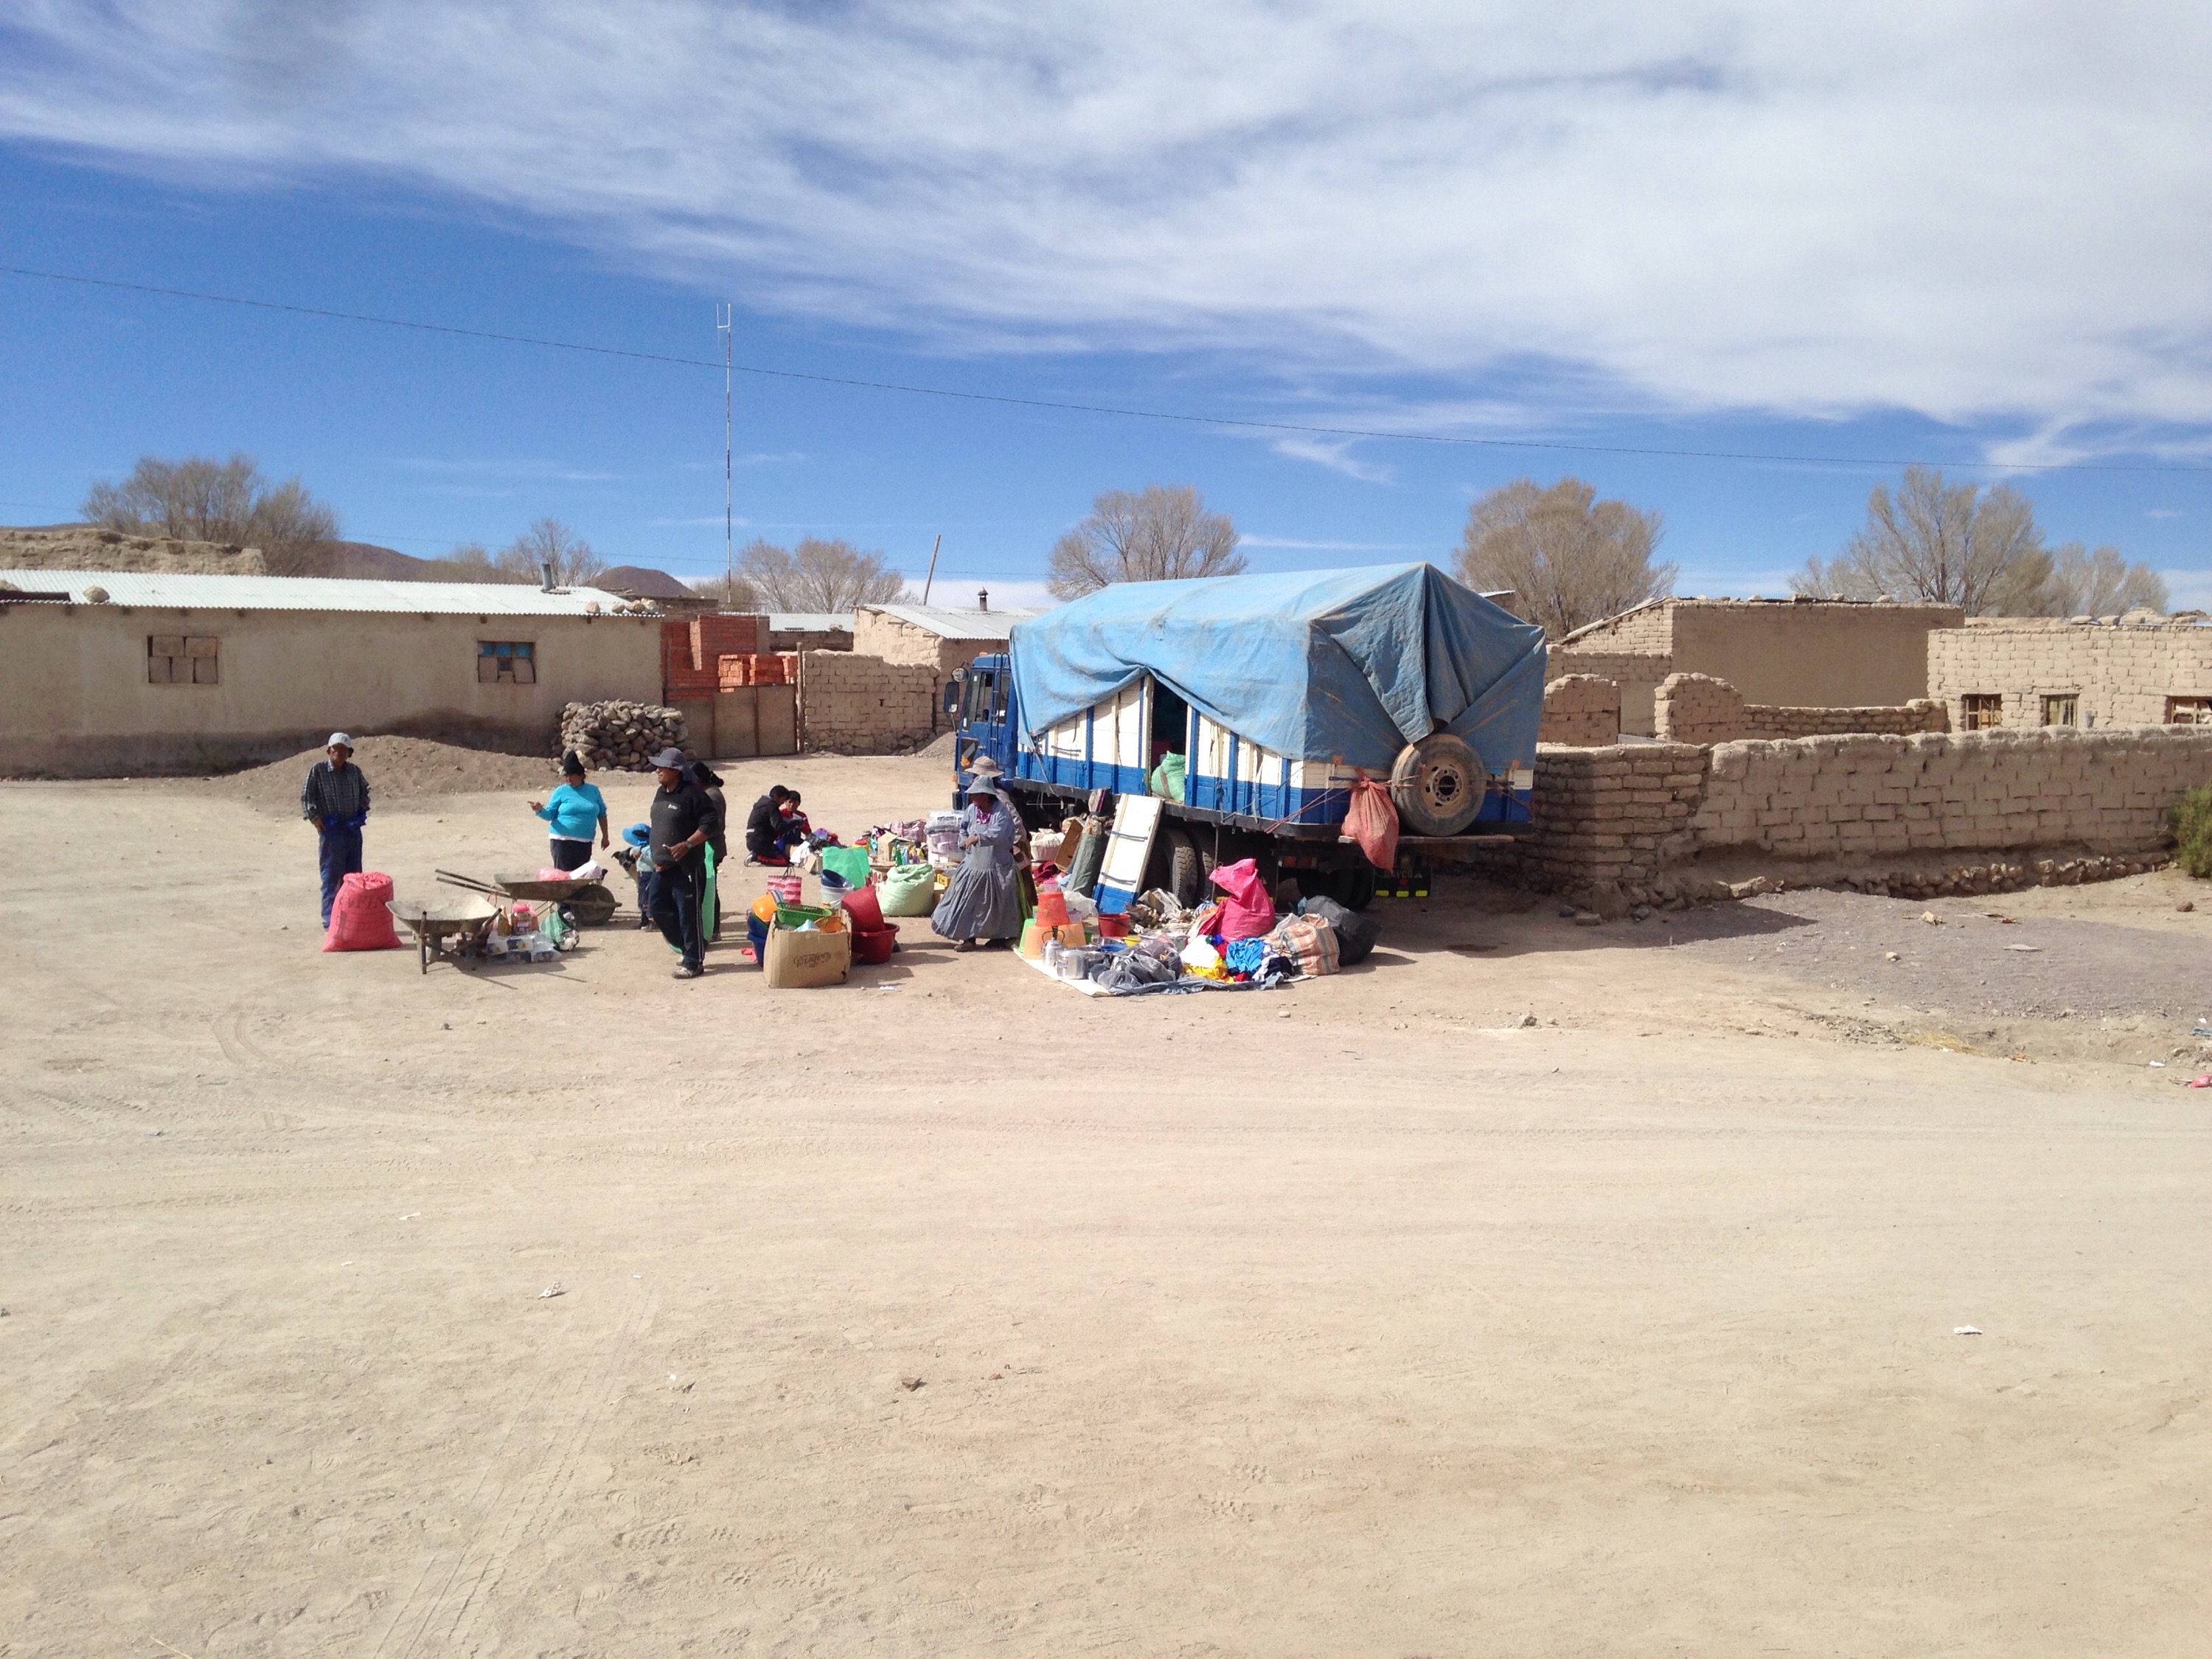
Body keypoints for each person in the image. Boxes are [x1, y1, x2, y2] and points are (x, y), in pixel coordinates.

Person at [931, 779, 1023, 951]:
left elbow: (997, 834)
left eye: (975, 794)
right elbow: (964, 829)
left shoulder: (1001, 813)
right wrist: (962, 839)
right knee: (966, 902)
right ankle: (968, 939)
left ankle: (999, 937)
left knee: (996, 906)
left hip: (995, 867)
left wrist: (978, 838)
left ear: (985, 795)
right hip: (972, 865)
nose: (972, 797)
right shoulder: (972, 810)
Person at [646, 747, 714, 978]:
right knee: (656, 909)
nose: (657, 771)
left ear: (676, 770)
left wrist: (688, 844)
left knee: (687, 914)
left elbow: (711, 824)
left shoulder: (693, 794)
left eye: (662, 767)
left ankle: (694, 962)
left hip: (685, 868)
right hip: (660, 867)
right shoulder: (661, 792)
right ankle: (689, 948)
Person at [300, 732, 370, 928]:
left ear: (350, 753)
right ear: (329, 750)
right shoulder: (318, 771)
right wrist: (315, 818)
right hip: (331, 832)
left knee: (354, 877)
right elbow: (307, 797)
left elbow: (365, 791)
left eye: (344, 750)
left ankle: (354, 918)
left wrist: (361, 812)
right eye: (336, 749)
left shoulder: (354, 772)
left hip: (352, 831)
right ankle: (331, 921)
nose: (339, 753)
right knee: (332, 876)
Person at [529, 752, 610, 872]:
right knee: (563, 877)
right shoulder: (560, 791)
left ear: (581, 775)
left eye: (571, 775)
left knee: (581, 877)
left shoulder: (593, 790)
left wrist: (605, 837)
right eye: (566, 775)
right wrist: (540, 810)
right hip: (562, 841)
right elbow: (550, 814)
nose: (568, 779)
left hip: (585, 842)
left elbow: (602, 814)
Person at [612, 822, 658, 929]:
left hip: (646, 876)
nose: (625, 864)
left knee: (645, 900)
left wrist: (641, 852)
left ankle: (648, 922)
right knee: (646, 899)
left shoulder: (642, 850)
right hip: (647, 875)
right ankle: (646, 921)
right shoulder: (648, 848)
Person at [744, 784, 796, 865]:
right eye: (783, 800)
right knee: (784, 861)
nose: (782, 803)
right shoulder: (771, 805)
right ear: (775, 797)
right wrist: (795, 823)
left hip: (754, 840)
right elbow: (779, 827)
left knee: (785, 857)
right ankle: (756, 856)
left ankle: (759, 855)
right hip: (759, 842)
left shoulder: (762, 803)